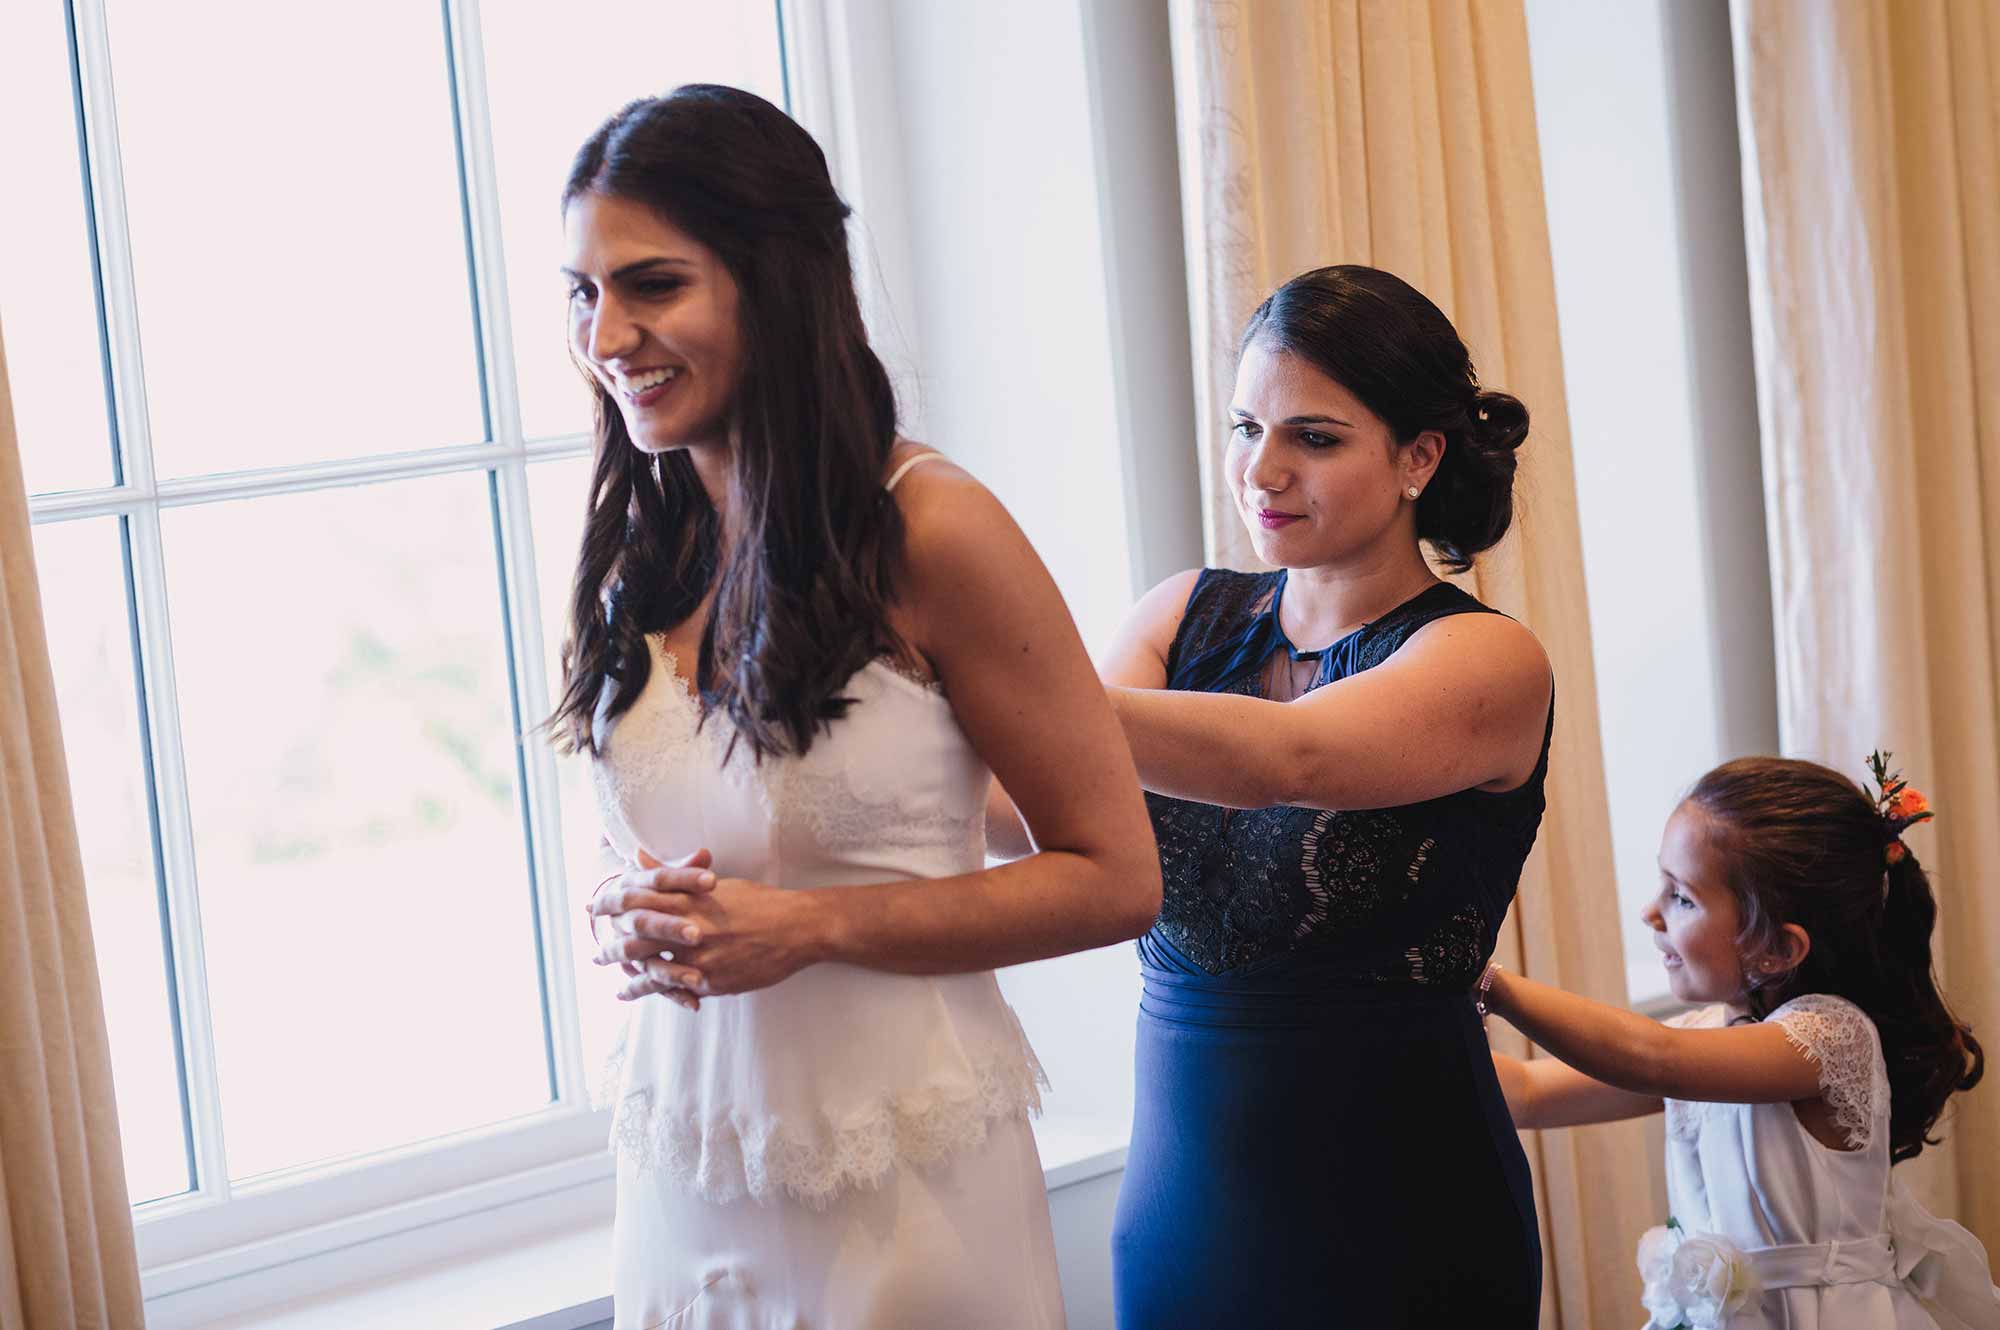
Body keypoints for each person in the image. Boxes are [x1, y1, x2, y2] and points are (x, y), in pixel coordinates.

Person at [547, 85, 1159, 1330]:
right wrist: (626, 907)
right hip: (685, 1173)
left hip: (902, 1192)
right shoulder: (643, 542)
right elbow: (699, 830)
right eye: (581, 292)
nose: (605, 334)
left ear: (776, 281)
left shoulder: (931, 528)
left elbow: (1115, 877)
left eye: (652, 284)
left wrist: (813, 926)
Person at [994, 264, 1552, 1326]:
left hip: (1406, 1219)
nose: (1263, 469)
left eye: (1315, 437)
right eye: (1246, 427)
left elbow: (1287, 758)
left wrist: (987, 672)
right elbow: (1022, 807)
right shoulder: (1181, 614)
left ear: (1418, 457)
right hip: (1181, 1214)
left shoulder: (1487, 659)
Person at [1487, 754, 1999, 1329]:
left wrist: (1490, 983)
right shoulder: (1709, 1038)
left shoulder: (1831, 1037)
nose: (1651, 912)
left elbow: (1655, 1058)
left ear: (1778, 949)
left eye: (1682, 897)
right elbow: (1525, 1092)